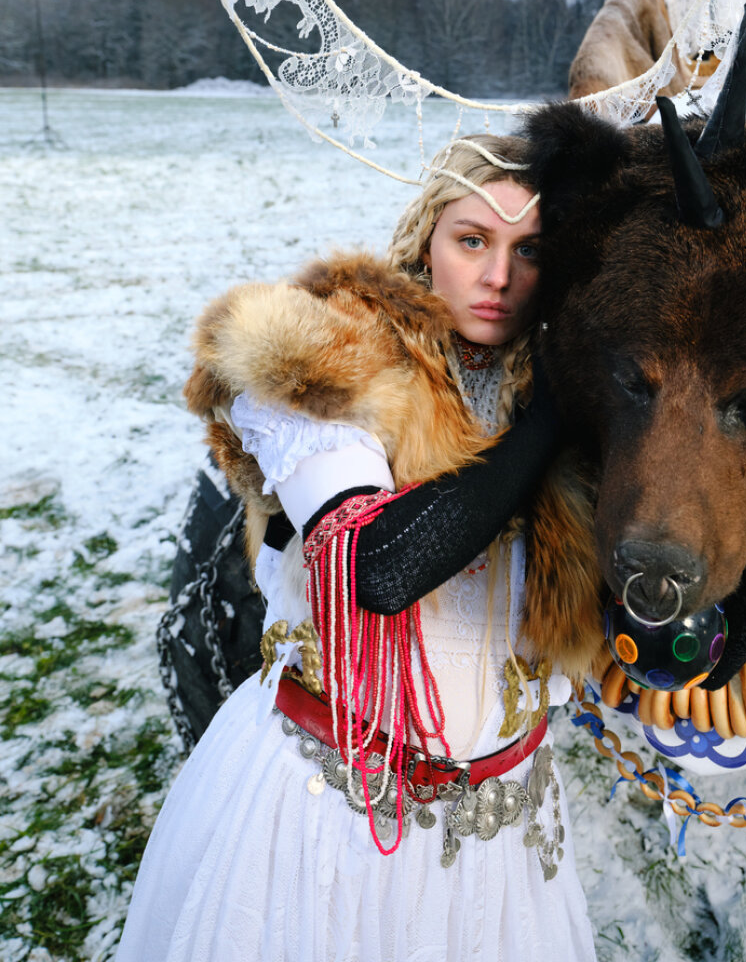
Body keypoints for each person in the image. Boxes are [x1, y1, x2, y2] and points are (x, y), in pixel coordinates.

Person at [117, 135, 599, 962]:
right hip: (326, 813)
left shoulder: (580, 396)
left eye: (531, 252)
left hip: (502, 832)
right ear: (425, 241)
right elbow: (378, 566)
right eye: (473, 240)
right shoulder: (327, 361)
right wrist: (548, 420)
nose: (498, 277)